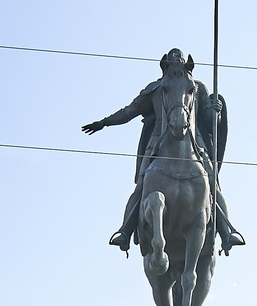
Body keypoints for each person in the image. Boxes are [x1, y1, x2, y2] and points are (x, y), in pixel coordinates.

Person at [83, 46, 245, 253]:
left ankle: (226, 230)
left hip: (196, 145)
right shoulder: (156, 88)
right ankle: (125, 230)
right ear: (165, 65)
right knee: (142, 186)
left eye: (180, 60)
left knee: (212, 184)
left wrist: (216, 112)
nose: (176, 63)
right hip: (157, 146)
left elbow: (209, 119)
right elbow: (129, 111)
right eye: (172, 60)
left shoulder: (196, 87)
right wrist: (104, 122)